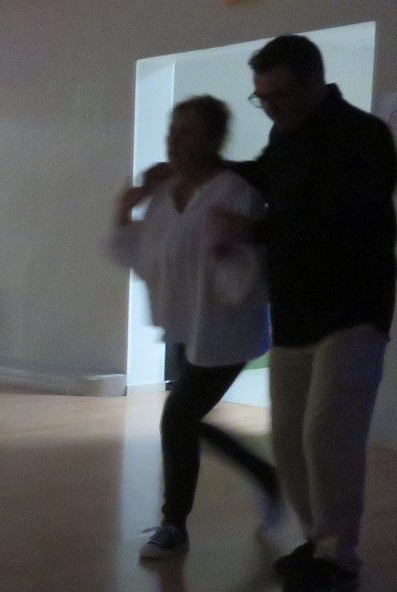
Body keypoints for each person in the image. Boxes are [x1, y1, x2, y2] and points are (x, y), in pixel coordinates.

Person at [211, 35, 396, 592]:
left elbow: (335, 220)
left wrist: (253, 230)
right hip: (294, 311)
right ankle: (320, 543)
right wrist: (201, 168)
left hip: (353, 310)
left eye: (280, 95)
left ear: (315, 81)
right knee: (290, 436)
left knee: (327, 434)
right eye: (262, 98)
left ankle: (338, 557)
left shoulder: (363, 136)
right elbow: (266, 176)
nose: (270, 107)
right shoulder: (284, 135)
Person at [109, 95, 279, 560]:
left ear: (213, 140)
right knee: (188, 419)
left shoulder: (235, 192)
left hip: (226, 332)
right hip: (185, 326)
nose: (175, 141)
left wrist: (227, 251)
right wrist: (127, 207)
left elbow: (250, 277)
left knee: (178, 418)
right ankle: (264, 475)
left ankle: (174, 525)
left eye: (187, 132)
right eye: (172, 130)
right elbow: (143, 256)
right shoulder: (166, 194)